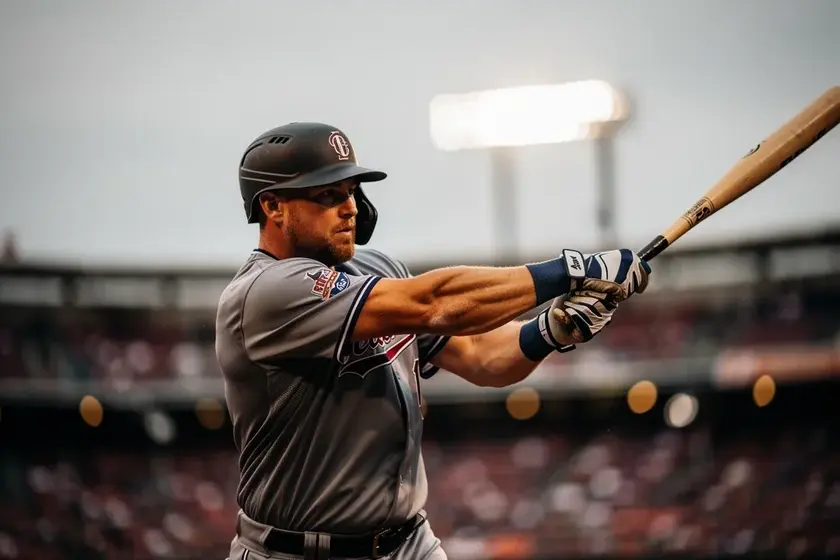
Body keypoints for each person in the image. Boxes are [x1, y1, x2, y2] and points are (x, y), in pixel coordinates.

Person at [215, 122, 651, 560]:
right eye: (327, 195)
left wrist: (553, 330)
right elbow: (434, 302)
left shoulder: (378, 269)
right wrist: (571, 269)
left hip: (410, 544)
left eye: (350, 191)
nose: (349, 208)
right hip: (294, 552)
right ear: (273, 206)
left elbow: (481, 356)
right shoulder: (264, 293)